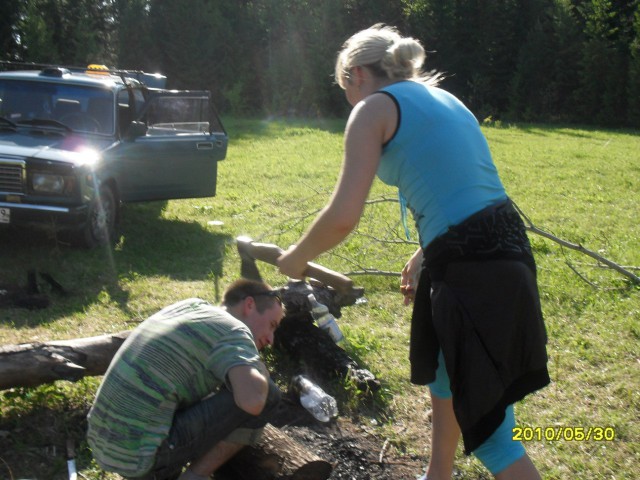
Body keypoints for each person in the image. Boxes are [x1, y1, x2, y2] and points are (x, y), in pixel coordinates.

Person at [277, 24, 550, 480]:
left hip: (473, 271)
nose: (347, 96)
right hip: (504, 251)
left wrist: (296, 258)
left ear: (357, 75)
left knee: (494, 437)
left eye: (344, 86)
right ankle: (437, 474)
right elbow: (460, 185)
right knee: (445, 378)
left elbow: (344, 215)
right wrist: (427, 251)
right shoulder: (445, 99)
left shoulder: (372, 110)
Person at [87, 279, 285, 480]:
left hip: (101, 442)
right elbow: (253, 401)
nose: (270, 339)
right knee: (269, 393)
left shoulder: (190, 306)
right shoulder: (235, 332)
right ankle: (193, 476)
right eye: (271, 325)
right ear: (249, 305)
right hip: (140, 455)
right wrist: (259, 367)